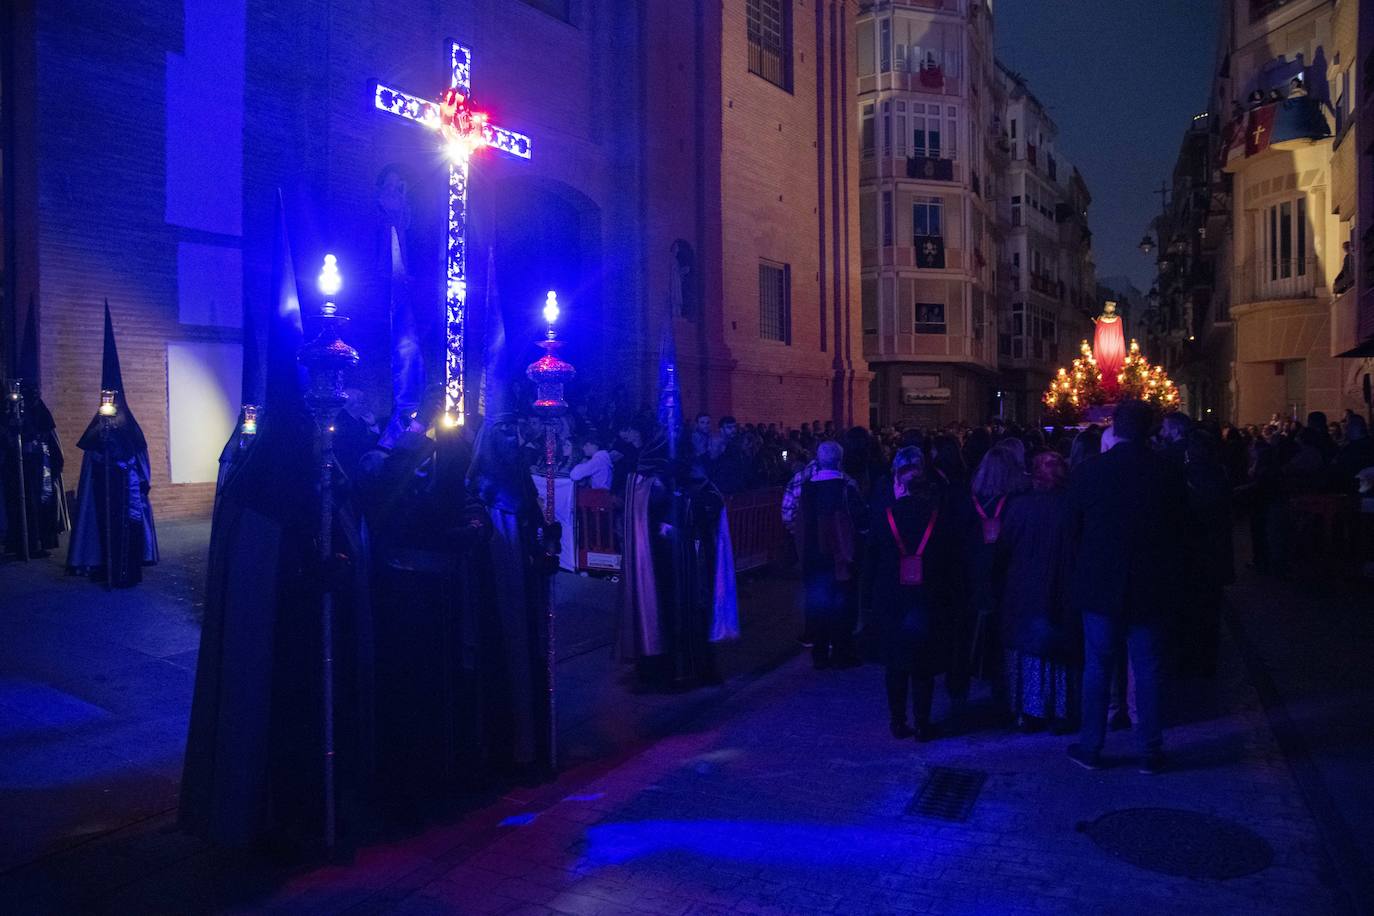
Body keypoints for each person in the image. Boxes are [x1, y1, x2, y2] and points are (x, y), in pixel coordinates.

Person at [181, 221, 375, 858]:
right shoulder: (262, 479)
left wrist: (339, 564)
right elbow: (262, 574)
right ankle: (282, 810)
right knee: (286, 721)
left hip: (320, 637)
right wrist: (304, 573)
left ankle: (322, 801)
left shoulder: (328, 462)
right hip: (282, 647)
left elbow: (349, 528)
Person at [1067, 399, 1186, 774]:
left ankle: (1091, 746)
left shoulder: (1090, 472)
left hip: (1100, 585)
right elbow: (1178, 529)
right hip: (1149, 585)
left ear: (1115, 428)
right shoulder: (1166, 471)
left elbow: (1073, 529)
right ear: (1149, 429)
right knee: (1148, 669)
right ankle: (1150, 750)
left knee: (1097, 668)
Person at [66, 302, 159, 586]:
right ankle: (99, 561)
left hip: (125, 492)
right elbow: (91, 462)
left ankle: (127, 567)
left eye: (113, 399)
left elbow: (139, 462)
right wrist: (102, 447)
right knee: (102, 524)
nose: (110, 405)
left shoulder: (130, 427)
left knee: (127, 528)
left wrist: (122, 459)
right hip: (103, 492)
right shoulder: (98, 428)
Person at [870, 446, 956, 741]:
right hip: (925, 598)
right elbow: (947, 561)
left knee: (895, 664)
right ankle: (922, 722)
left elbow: (873, 558)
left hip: (892, 598)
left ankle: (897, 721)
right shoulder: (939, 519)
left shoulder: (885, 516)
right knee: (923, 665)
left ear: (899, 486)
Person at [995, 451, 1080, 732]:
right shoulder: (1072, 508)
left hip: (1024, 587)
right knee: (1059, 652)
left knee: (1029, 652)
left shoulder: (1019, 507)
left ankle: (1029, 710)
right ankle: (1060, 710)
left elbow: (1003, 547)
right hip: (1062, 586)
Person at [1, 300, 70, 558]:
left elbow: (48, 434)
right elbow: (8, 433)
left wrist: (41, 449)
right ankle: (20, 544)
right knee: (18, 503)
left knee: (39, 502)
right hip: (16, 466)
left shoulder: (39, 407)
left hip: (38, 464)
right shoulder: (9, 407)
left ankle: (39, 542)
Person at [797, 441, 867, 669]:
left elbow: (798, 521)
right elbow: (861, 522)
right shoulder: (846, 488)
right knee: (842, 606)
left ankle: (820, 654)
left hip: (814, 556)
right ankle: (841, 652)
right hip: (840, 557)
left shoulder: (807, 488)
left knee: (818, 606)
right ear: (840, 460)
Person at [1178, 430, 1233, 678]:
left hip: (1193, 552)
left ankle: (1193, 659)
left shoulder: (1189, 476)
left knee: (1192, 608)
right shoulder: (1220, 473)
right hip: (1216, 551)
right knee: (1211, 610)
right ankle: (1209, 659)